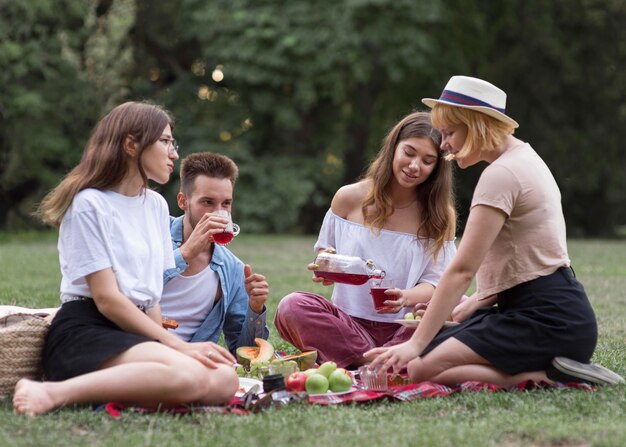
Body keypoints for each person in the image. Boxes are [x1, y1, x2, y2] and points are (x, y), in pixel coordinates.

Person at [365, 76, 624, 386]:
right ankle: (554, 368)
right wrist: (464, 309)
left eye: (449, 134)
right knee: (426, 355)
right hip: (550, 313)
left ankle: (554, 376)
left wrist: (416, 343)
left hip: (547, 321)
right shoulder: (524, 158)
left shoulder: (501, 174)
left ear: (475, 126)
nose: (444, 145)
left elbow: (461, 270)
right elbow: (524, 261)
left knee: (420, 367)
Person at [13, 102, 239, 416]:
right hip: (88, 329)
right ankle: (51, 391)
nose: (173, 153)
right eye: (164, 142)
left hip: (136, 330)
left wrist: (163, 342)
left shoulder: (156, 206)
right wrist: (175, 345)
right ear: (132, 145)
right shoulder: (88, 204)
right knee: (190, 373)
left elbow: (151, 297)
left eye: (172, 143)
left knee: (225, 378)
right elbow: (106, 299)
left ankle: (131, 389)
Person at [274, 111, 458, 369]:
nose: (415, 165)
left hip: (405, 330)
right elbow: (326, 255)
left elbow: (436, 285)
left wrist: (405, 296)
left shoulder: (439, 216)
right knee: (292, 306)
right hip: (348, 325)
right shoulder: (349, 198)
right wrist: (327, 269)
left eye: (428, 160)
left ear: (437, 167)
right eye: (409, 153)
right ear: (393, 148)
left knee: (454, 307)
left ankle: (366, 363)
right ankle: (386, 364)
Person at [160, 152, 269, 352]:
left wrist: (255, 308)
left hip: (190, 361)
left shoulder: (232, 268)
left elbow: (244, 352)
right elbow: (125, 291)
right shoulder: (155, 231)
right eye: (208, 202)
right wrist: (184, 253)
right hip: (137, 347)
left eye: (226, 204)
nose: (219, 213)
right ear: (183, 201)